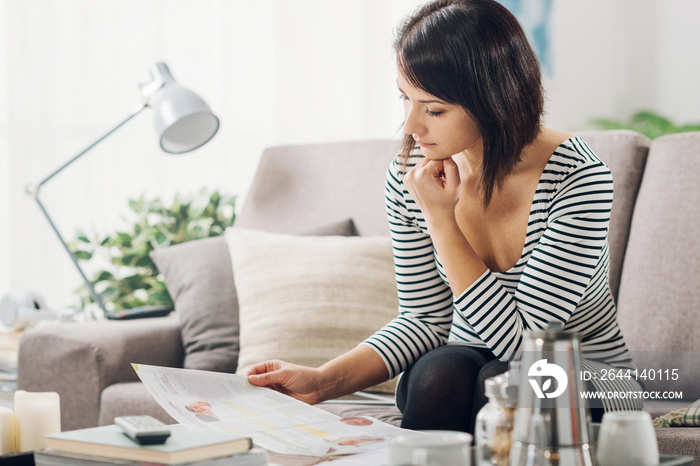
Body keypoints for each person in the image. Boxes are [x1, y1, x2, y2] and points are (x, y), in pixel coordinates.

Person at [247, 0, 643, 434]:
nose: (411, 124)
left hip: (584, 372)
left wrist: (442, 222)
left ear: (495, 100)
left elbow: (522, 347)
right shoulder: (411, 175)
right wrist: (325, 381)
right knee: (438, 377)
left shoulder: (579, 179)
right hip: (472, 360)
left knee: (506, 382)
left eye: (433, 109)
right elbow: (425, 319)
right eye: (405, 98)